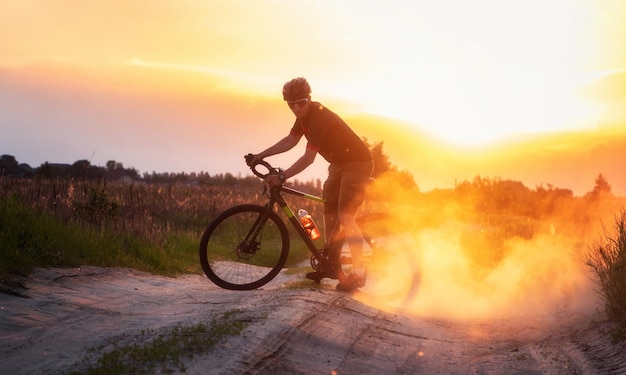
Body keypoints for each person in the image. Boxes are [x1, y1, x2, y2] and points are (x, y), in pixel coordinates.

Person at [247, 77, 374, 292]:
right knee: (330, 217)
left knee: (345, 216)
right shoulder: (303, 118)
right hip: (338, 164)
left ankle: (358, 273)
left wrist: (282, 176)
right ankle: (331, 267)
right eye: (292, 104)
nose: (297, 108)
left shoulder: (319, 118)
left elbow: (308, 158)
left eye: (301, 102)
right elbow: (290, 141)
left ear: (309, 99)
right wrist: (260, 155)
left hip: (358, 163)